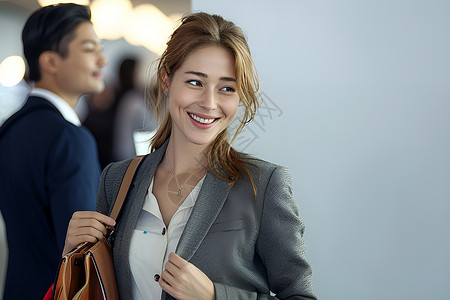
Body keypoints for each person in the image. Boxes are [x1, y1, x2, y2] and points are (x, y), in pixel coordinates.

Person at [63, 12, 317, 300]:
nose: (209, 103)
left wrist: (213, 296)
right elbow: (99, 287)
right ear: (167, 79)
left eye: (226, 88)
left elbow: (300, 295)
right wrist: (74, 253)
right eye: (195, 82)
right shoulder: (117, 179)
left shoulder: (263, 185)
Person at [0, 3, 106, 299]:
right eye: (89, 49)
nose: (102, 60)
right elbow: (82, 252)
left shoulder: (9, 129)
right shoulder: (70, 138)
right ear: (50, 61)